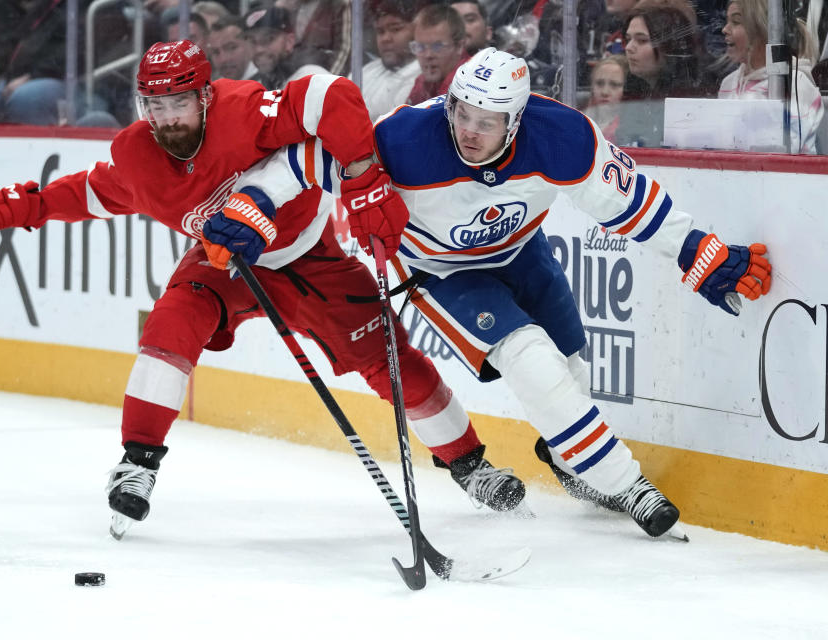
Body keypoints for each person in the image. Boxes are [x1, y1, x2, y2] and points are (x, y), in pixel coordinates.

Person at [0, 41, 527, 540]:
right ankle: (137, 463)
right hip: (221, 263)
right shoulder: (138, 154)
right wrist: (11, 210)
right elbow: (85, 194)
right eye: (154, 106)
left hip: (309, 254)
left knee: (387, 355)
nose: (166, 118)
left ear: (205, 97)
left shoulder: (245, 111)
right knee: (170, 325)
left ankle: (470, 466)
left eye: (178, 103)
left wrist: (361, 173)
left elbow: (330, 93)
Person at [226, 48, 773, 539]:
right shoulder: (405, 138)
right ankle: (628, 485)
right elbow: (305, 161)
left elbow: (632, 203)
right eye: (461, 113)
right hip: (441, 272)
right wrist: (253, 204)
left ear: (516, 120)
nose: (468, 130)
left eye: (486, 122)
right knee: (527, 357)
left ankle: (568, 460)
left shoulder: (562, 136)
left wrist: (696, 252)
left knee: (569, 365)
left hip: (521, 251)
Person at [718, 0, 824, 153]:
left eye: (736, 22)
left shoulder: (796, 85)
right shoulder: (727, 84)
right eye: (727, 21)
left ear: (762, 31)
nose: (725, 29)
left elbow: (786, 150)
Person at [616, 0, 712, 146]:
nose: (629, 48)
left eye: (642, 40)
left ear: (670, 46)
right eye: (628, 39)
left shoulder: (694, 93)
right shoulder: (634, 85)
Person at [361, 0, 420, 121]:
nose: (385, 39)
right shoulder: (367, 71)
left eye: (396, 29)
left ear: (417, 31)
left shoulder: (423, 75)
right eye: (380, 32)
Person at [245, 6, 327, 90]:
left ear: (289, 41)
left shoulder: (312, 79)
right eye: (252, 42)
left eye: (268, 39)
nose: (259, 50)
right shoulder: (260, 83)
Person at [407, 4, 469, 104]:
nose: (428, 55)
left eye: (437, 46)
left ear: (459, 46)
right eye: (420, 47)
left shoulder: (467, 83)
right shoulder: (422, 81)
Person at [583, 54, 628, 139]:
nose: (605, 92)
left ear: (625, 89)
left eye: (614, 85)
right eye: (599, 83)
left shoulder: (629, 128)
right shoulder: (579, 119)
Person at [208, 16, 258, 80]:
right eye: (215, 52)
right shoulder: (213, 86)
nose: (223, 59)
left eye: (231, 48)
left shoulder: (268, 85)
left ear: (249, 44)